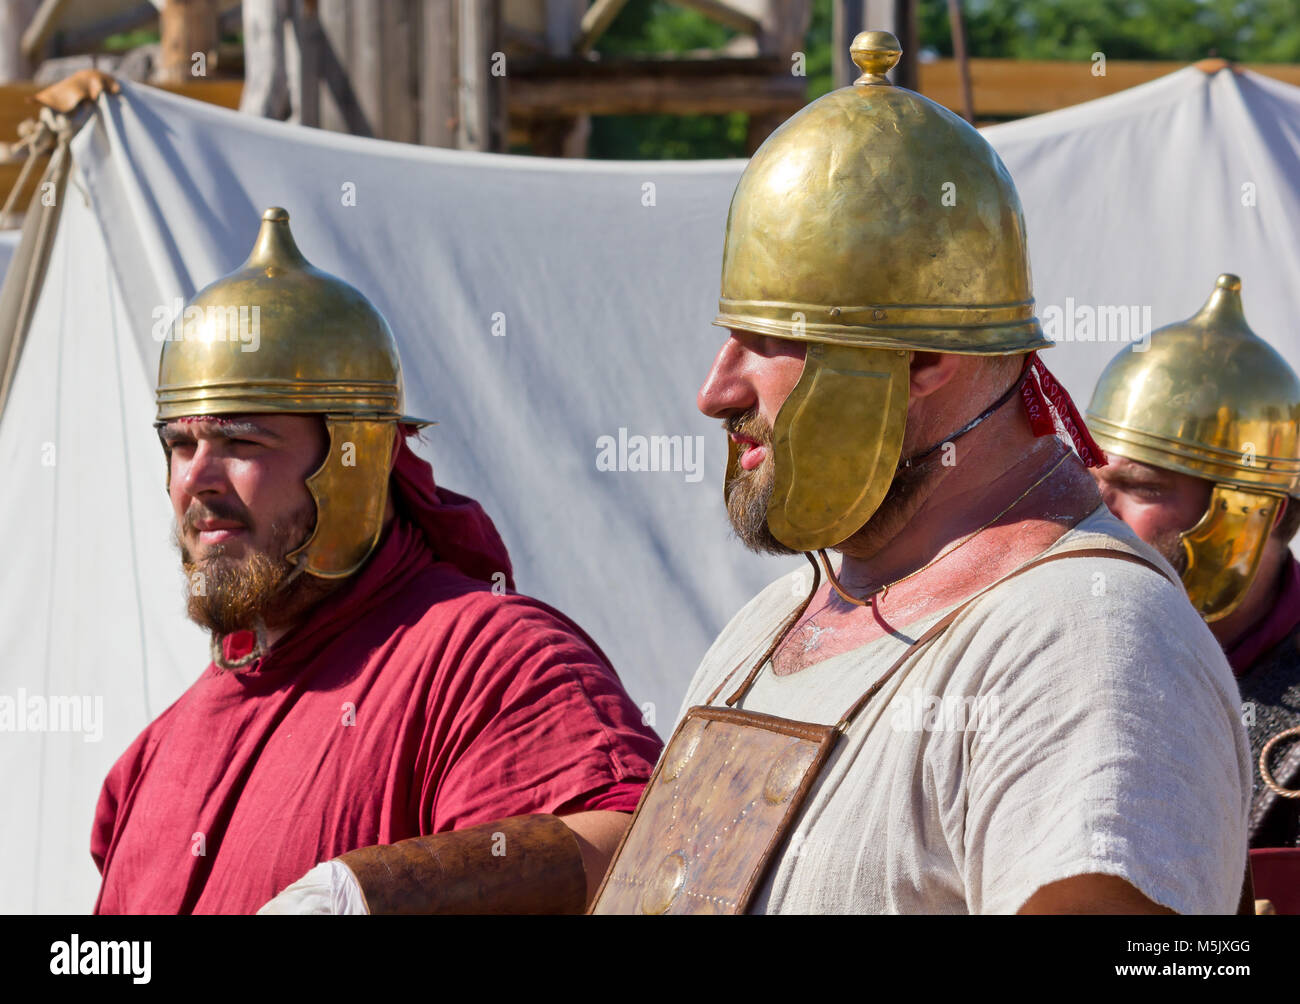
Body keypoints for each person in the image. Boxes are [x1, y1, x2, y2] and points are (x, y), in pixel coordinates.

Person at [589, 32, 1250, 915]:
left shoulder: (1089, 645)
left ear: (925, 356)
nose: (715, 392)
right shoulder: (773, 623)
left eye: (776, 339)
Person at [92, 207, 662, 915]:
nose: (195, 481)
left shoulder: (491, 662)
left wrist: (381, 896)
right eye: (180, 446)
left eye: (241, 442)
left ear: (355, 459)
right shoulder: (156, 754)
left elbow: (639, 851)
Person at [1086, 274, 1300, 868]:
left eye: (1143, 488)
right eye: (1091, 482)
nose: (1097, 515)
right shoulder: (1036, 649)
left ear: (1254, 515)